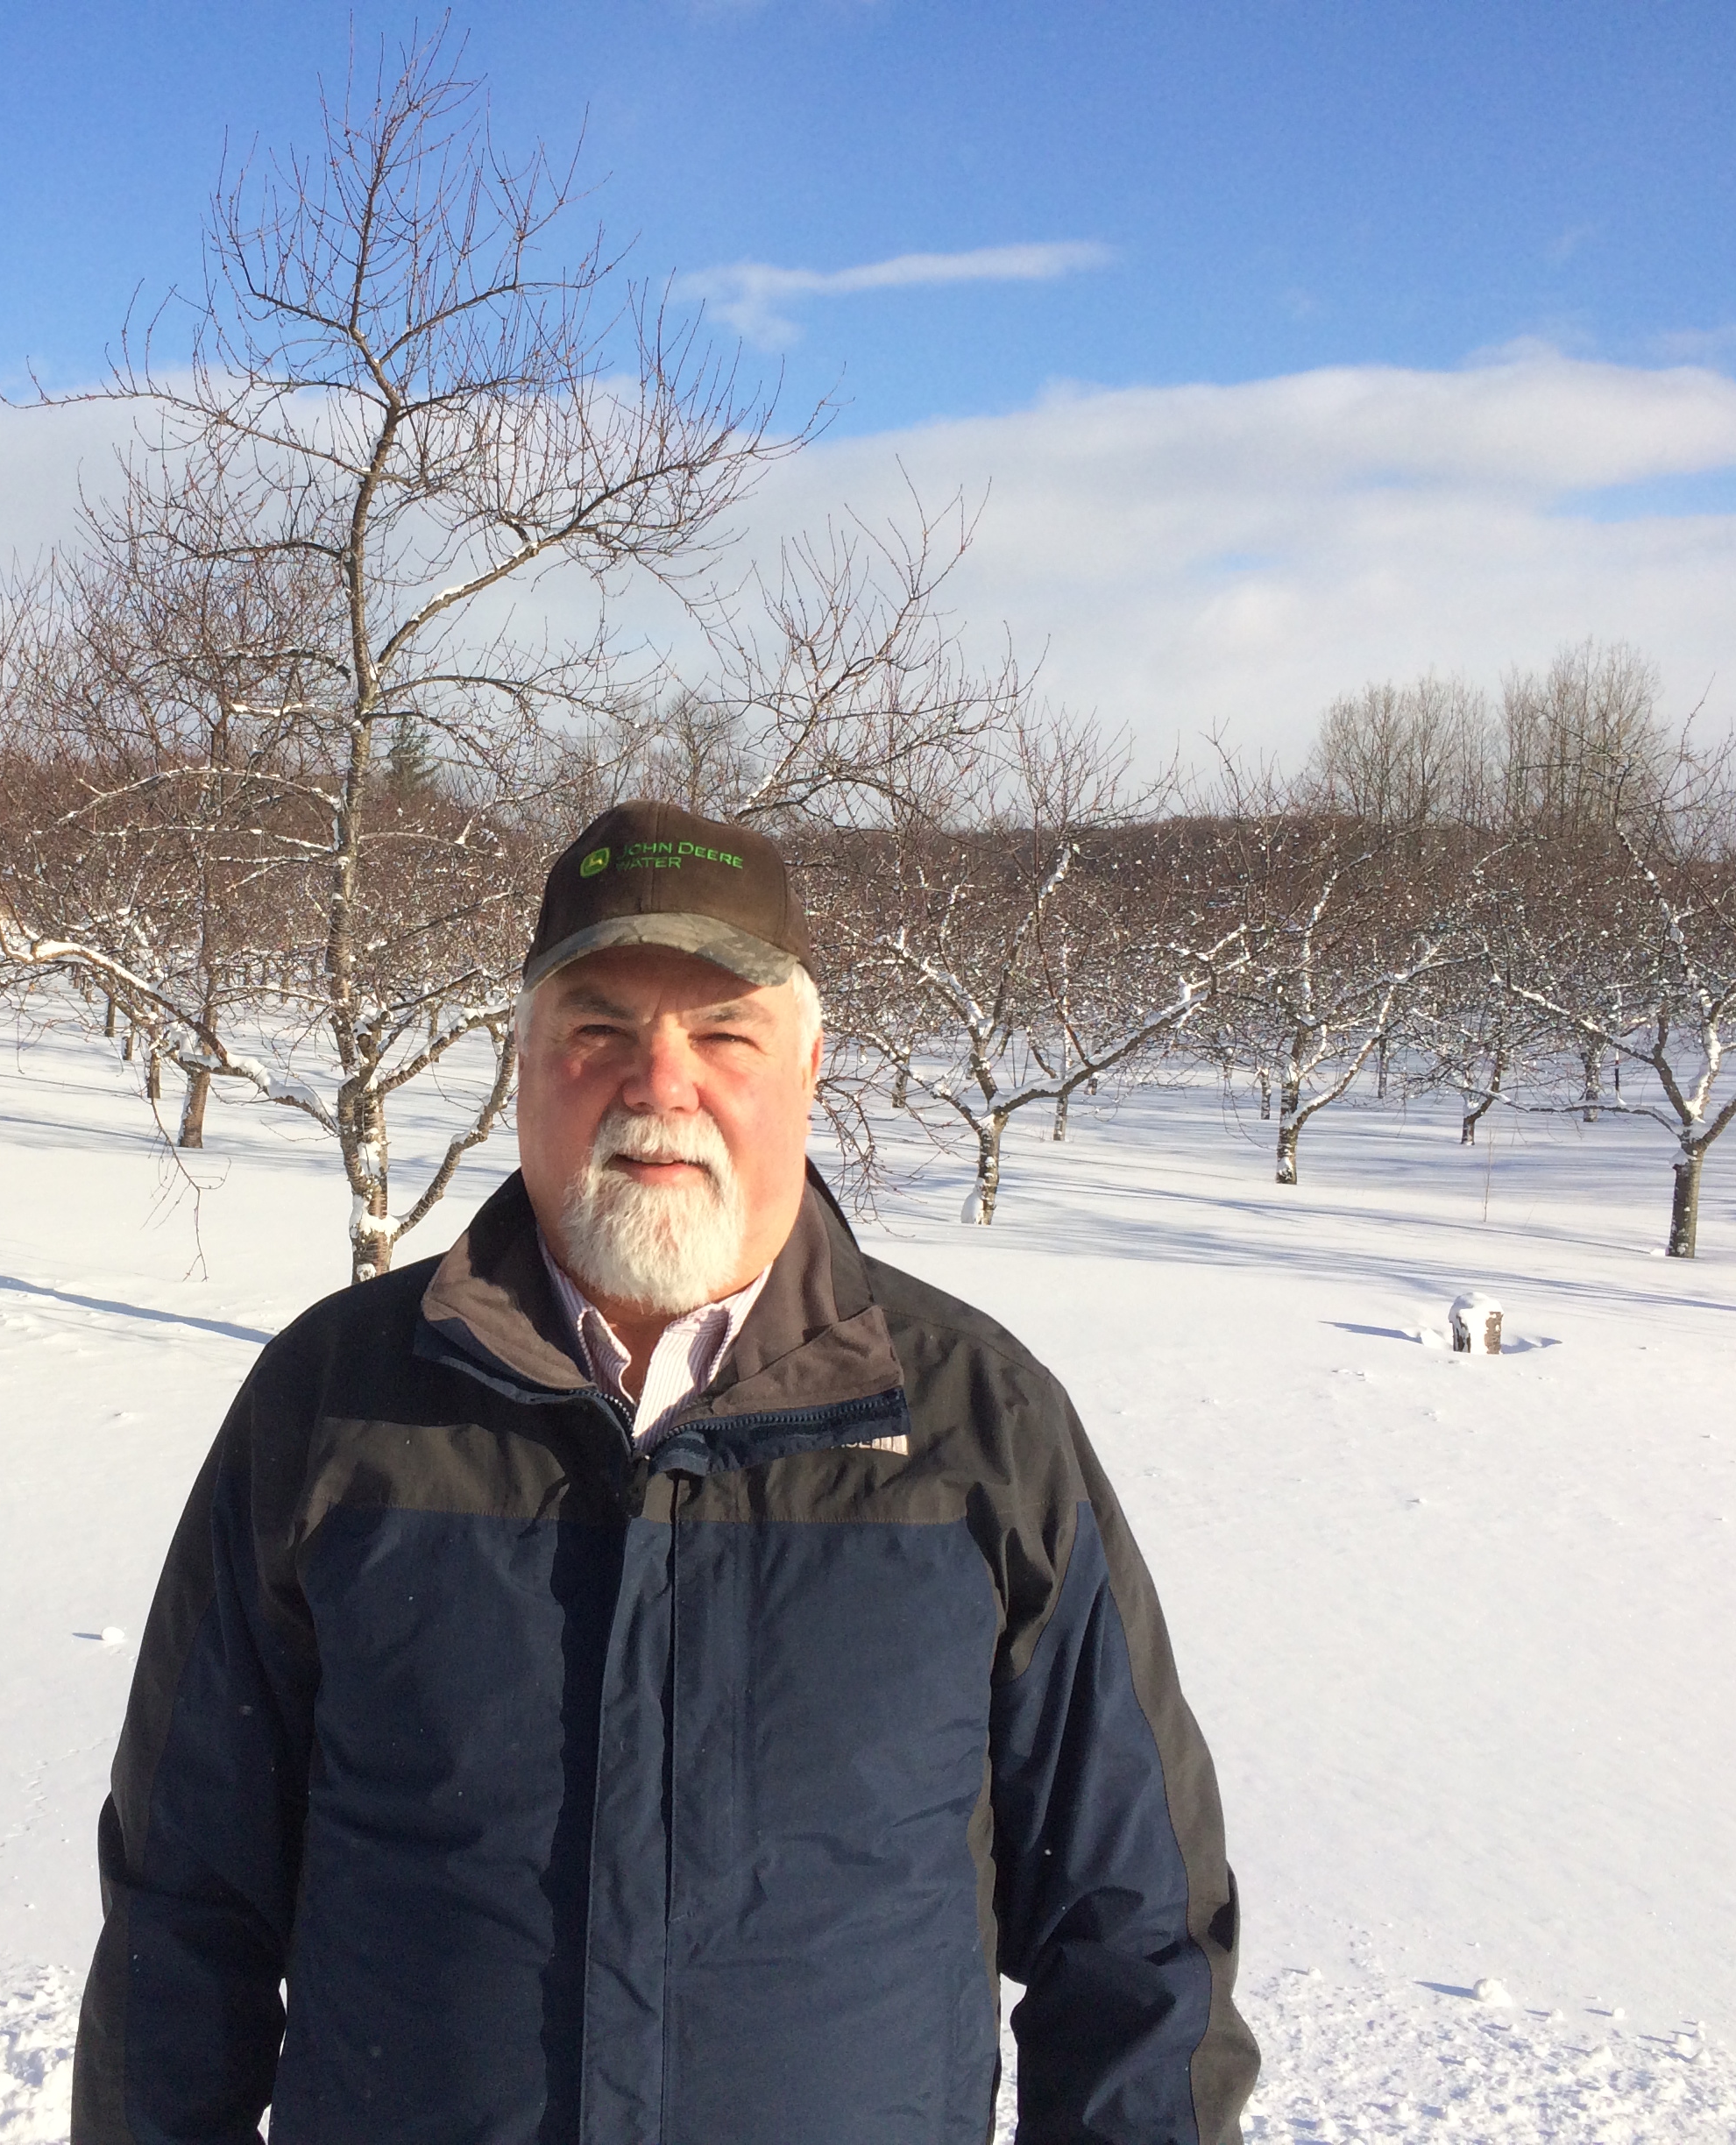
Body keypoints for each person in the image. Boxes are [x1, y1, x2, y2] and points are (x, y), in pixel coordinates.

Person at [73, 800, 1258, 2144]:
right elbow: (185, 1916)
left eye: (723, 1034)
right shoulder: (336, 1407)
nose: (659, 1083)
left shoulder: (980, 1432)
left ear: (809, 1067)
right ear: (522, 1066)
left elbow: (1138, 1943)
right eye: (599, 1029)